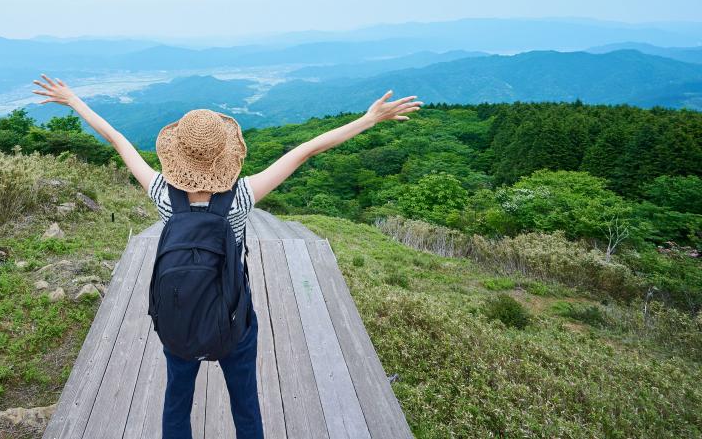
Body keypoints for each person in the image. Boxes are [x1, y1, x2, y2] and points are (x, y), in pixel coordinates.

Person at [31, 74, 422, 439]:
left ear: (177, 155)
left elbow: (117, 139)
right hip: (234, 319)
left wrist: (73, 100)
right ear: (225, 156)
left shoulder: (162, 196)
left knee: (176, 404)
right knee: (246, 407)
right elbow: (307, 149)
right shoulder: (242, 198)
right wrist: (370, 118)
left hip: (179, 320)